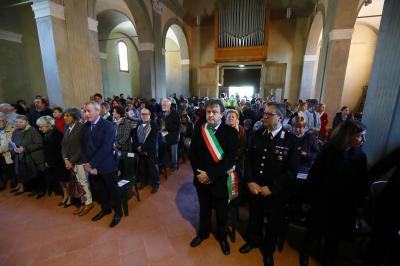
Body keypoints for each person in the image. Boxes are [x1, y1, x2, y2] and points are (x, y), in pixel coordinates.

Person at [299, 120, 368, 266]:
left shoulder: (360, 156)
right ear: (348, 136)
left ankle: (328, 260)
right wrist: (308, 199)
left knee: (334, 237)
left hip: (343, 204)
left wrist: (359, 204)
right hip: (324, 200)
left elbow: (362, 183)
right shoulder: (329, 152)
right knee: (314, 231)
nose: (363, 140)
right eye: (360, 136)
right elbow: (315, 176)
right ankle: (305, 253)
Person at [239, 102, 300, 266]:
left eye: (268, 114)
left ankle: (268, 250)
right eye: (264, 113)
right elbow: (249, 161)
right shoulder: (256, 135)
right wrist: (250, 181)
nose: (264, 116)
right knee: (254, 217)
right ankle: (253, 241)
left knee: (273, 223)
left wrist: (272, 188)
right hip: (255, 188)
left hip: (276, 193)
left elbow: (291, 171)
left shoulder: (290, 141)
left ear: (280, 117)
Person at [189, 99, 239, 255]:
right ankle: (202, 234)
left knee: (222, 213)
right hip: (201, 179)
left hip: (220, 180)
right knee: (204, 210)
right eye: (208, 112)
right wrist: (200, 175)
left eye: (214, 112)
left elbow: (229, 160)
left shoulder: (231, 132)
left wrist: (210, 175)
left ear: (222, 114)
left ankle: (222, 238)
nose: (211, 115)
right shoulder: (199, 129)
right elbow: (193, 155)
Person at [81, 101, 122, 228]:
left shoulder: (108, 126)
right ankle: (105, 209)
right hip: (91, 165)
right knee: (100, 190)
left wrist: (92, 164)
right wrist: (86, 163)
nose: (86, 114)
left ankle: (118, 213)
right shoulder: (85, 126)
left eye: (88, 111)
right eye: (84, 111)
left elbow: (106, 148)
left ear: (98, 111)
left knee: (112, 190)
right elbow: (83, 146)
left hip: (106, 165)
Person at [362, 147, 400, 266]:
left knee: (379, 242)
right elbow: (380, 168)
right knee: (381, 241)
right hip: (392, 204)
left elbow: (380, 167)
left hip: (390, 202)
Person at [62, 108, 94, 216]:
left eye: (68, 116)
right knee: (77, 182)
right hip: (71, 161)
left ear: (75, 116)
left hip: (80, 160)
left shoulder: (81, 128)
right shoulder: (67, 127)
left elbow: (82, 148)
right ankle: (83, 202)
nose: (65, 118)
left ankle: (88, 202)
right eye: (64, 115)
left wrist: (71, 161)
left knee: (83, 182)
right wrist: (65, 159)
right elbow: (64, 145)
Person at [36, 116, 69, 203]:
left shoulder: (57, 135)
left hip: (60, 162)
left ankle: (69, 197)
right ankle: (65, 195)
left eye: (41, 126)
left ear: (49, 125)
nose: (39, 129)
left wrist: (50, 162)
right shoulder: (47, 134)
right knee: (61, 181)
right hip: (54, 162)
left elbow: (59, 151)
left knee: (65, 181)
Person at [10, 115, 45, 196]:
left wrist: (25, 148)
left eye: (20, 122)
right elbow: (12, 143)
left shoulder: (33, 131)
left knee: (37, 175)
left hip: (33, 157)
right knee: (29, 175)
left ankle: (40, 191)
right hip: (21, 157)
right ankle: (34, 190)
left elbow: (39, 144)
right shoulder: (16, 131)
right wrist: (14, 149)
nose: (18, 124)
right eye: (16, 122)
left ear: (27, 122)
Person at [132, 108, 160, 193]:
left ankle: (155, 184)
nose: (144, 116)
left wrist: (142, 148)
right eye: (142, 114)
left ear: (149, 115)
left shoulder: (154, 125)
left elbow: (152, 140)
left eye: (146, 114)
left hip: (149, 150)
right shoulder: (138, 124)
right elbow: (134, 137)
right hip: (139, 150)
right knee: (142, 167)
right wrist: (137, 147)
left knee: (152, 168)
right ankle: (143, 182)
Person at [159, 98, 181, 171]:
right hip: (165, 134)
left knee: (173, 152)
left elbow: (177, 126)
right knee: (167, 151)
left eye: (165, 105)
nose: (163, 106)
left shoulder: (175, 114)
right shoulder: (162, 113)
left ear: (169, 105)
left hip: (173, 136)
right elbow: (161, 123)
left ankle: (174, 166)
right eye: (162, 105)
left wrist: (166, 127)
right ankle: (167, 164)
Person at [0, 113, 15, 190]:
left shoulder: (12, 128)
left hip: (9, 152)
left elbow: (8, 143)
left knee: (9, 166)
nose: (1, 122)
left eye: (2, 120)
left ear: (5, 120)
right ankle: (2, 181)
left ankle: (12, 179)